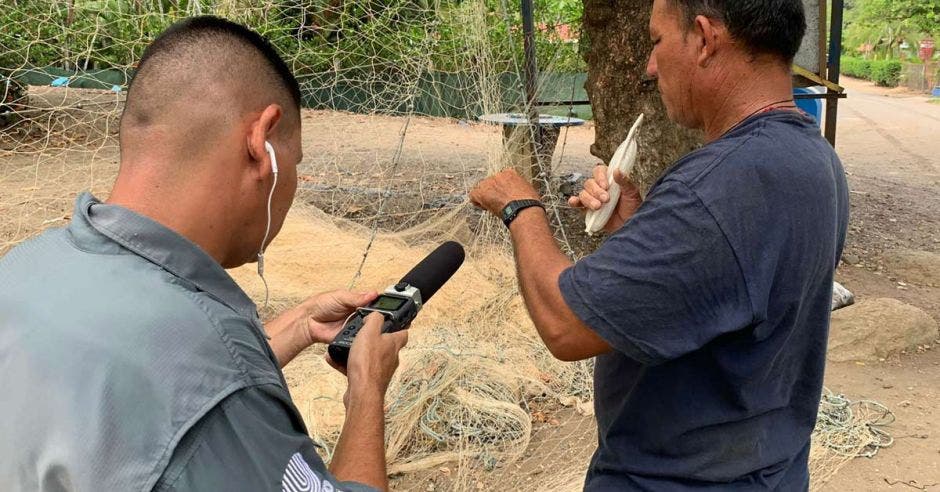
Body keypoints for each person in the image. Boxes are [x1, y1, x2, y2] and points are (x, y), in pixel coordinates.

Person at [0, 17, 407, 492]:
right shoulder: (212, 385)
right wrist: (366, 391)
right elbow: (197, 399)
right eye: (293, 163)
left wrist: (298, 326)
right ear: (262, 142)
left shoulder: (25, 267)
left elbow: (141, 400)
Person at [470, 0, 848, 489]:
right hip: (769, 470)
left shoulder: (716, 186)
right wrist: (635, 229)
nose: (649, 67)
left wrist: (521, 208)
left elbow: (566, 326)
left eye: (656, 41)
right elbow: (726, 287)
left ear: (706, 39)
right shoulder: (814, 158)